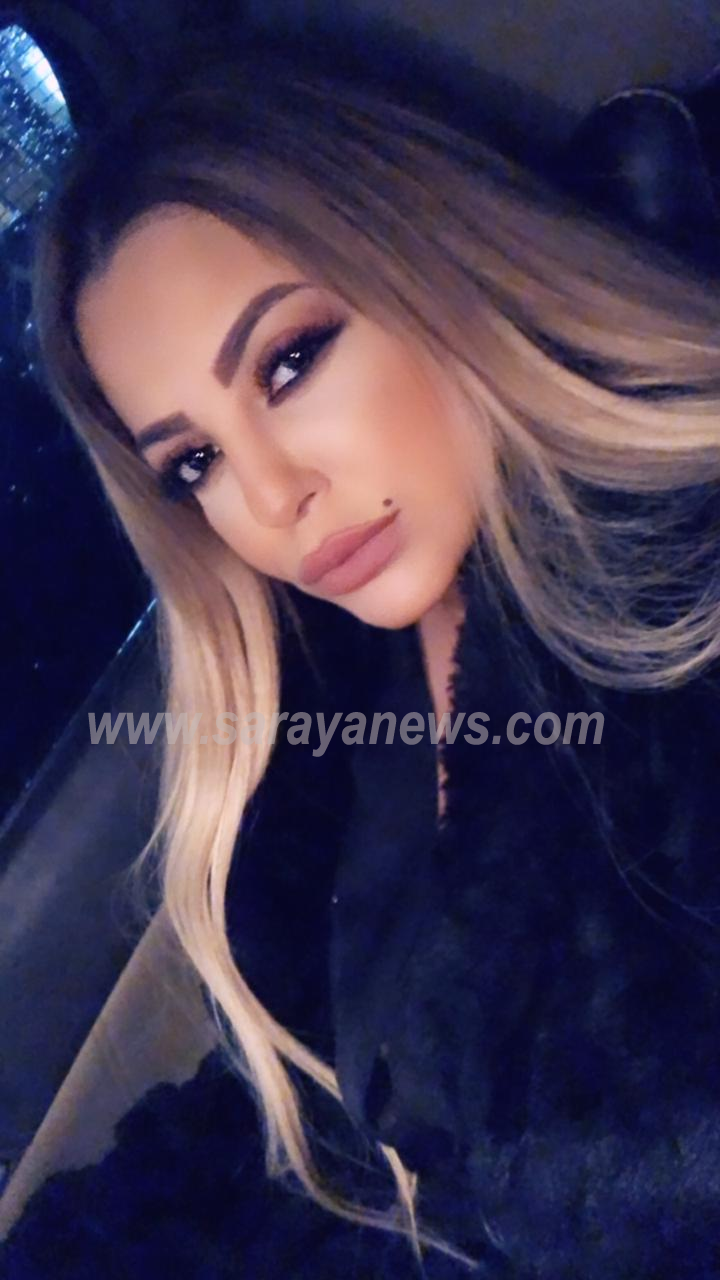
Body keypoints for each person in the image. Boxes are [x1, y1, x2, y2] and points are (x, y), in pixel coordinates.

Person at [5, 38, 720, 1279]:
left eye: (290, 360)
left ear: (447, 257)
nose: (270, 495)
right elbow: (311, 1134)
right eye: (194, 461)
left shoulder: (684, 593)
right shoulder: (323, 715)